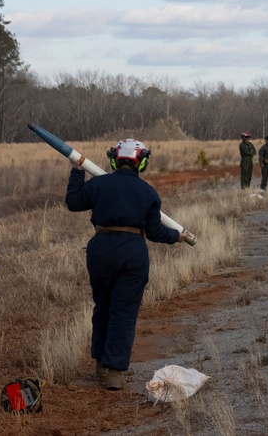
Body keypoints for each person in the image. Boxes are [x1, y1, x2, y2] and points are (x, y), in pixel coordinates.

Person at [65, 138, 193, 390]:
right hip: (132, 253)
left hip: (100, 249)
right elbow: (155, 232)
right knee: (123, 311)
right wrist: (176, 237)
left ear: (115, 159)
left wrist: (77, 172)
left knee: (103, 306)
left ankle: (100, 364)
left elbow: (74, 202)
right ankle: (115, 372)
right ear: (141, 162)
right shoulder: (147, 192)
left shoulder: (99, 183)